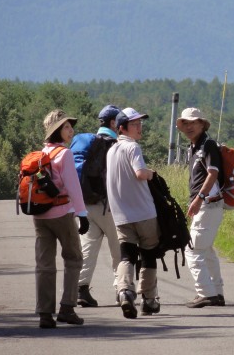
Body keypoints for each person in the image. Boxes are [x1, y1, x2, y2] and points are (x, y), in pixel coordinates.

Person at [34, 109, 90, 329]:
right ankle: (67, 307)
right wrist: (82, 214)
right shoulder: (64, 154)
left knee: (44, 264)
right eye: (67, 127)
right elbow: (73, 187)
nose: (71, 130)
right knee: (74, 258)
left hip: (40, 215)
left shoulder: (42, 153)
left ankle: (45, 314)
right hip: (61, 213)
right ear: (57, 129)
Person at [105, 107, 161, 319]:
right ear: (122, 128)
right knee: (148, 254)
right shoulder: (133, 147)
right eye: (135, 125)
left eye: (140, 124)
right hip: (144, 212)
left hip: (121, 215)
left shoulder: (111, 151)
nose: (140, 128)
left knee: (126, 255)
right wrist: (151, 173)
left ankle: (125, 291)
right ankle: (148, 300)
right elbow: (139, 173)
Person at [176, 107, 226, 308]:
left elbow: (213, 173)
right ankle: (216, 292)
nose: (189, 127)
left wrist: (199, 198)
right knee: (206, 251)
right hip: (206, 204)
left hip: (208, 203)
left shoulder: (208, 145)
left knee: (193, 250)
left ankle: (206, 293)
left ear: (202, 125)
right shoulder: (194, 146)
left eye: (193, 122)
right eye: (185, 123)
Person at [76, 105, 122, 308]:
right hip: (110, 207)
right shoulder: (116, 145)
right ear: (113, 123)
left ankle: (80, 290)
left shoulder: (89, 143)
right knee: (120, 250)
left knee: (87, 249)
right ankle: (122, 291)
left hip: (87, 205)